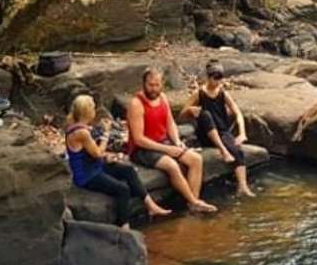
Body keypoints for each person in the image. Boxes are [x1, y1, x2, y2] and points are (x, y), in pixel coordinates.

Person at [66, 95, 171, 227]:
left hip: (96, 166)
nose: (95, 111)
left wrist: (107, 156)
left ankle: (151, 205)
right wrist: (106, 134)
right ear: (87, 111)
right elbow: (97, 153)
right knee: (123, 189)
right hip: (87, 175)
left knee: (128, 170)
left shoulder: (82, 128)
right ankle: (124, 226)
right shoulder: (81, 132)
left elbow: (91, 153)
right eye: (93, 108)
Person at [127, 68, 218, 213]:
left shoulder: (162, 97)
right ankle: (194, 201)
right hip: (143, 149)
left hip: (164, 142)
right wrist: (168, 150)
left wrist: (176, 141)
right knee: (172, 165)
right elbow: (139, 139)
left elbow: (170, 123)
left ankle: (193, 203)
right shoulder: (136, 104)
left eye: (157, 85)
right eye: (150, 85)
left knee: (196, 160)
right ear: (144, 84)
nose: (154, 89)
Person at [179, 61, 255, 197]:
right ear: (208, 78)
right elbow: (182, 114)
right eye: (216, 78)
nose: (218, 81)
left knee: (237, 150)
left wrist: (242, 133)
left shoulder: (223, 93)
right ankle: (223, 150)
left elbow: (237, 112)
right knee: (206, 114)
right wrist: (190, 110)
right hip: (206, 134)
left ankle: (243, 186)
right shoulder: (199, 93)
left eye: (220, 77)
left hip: (222, 131)